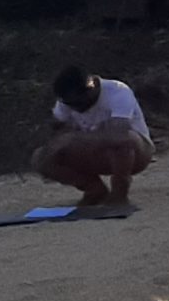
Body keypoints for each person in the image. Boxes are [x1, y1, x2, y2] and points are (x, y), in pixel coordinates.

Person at [35, 66, 155, 207]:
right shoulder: (67, 101)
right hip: (96, 152)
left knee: (123, 143)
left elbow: (119, 136)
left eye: (78, 102)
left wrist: (72, 138)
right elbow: (54, 128)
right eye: (69, 104)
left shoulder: (117, 91)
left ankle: (119, 193)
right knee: (40, 157)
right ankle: (94, 190)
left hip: (136, 153)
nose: (74, 108)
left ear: (91, 89)